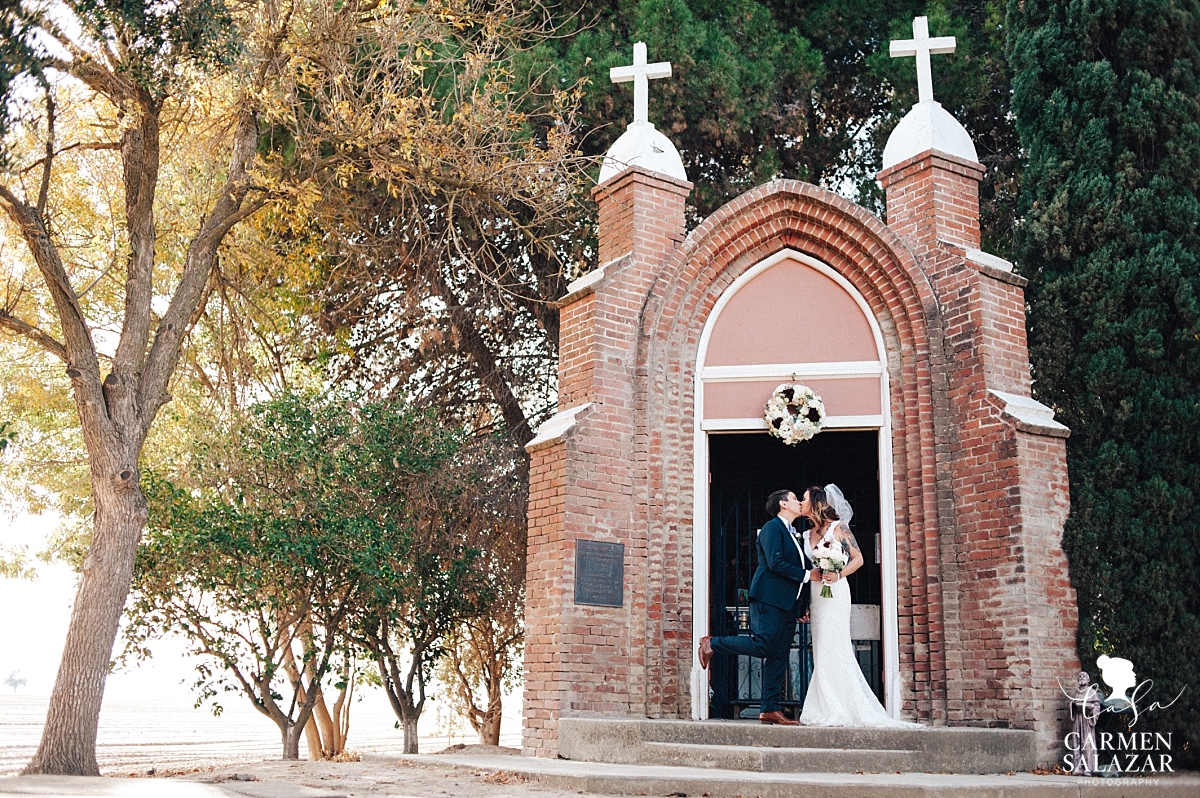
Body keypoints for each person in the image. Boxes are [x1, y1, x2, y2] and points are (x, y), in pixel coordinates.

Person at [799, 484, 918, 727]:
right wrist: (806, 604)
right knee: (820, 648)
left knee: (836, 645)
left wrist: (838, 574)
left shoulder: (838, 527)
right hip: (816, 595)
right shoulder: (805, 534)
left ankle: (842, 706)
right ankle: (823, 705)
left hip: (836, 592)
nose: (801, 502)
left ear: (816, 502)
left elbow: (859, 559)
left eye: (804, 499)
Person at [697, 489, 818, 725]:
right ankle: (712, 643)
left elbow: (797, 573)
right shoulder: (773, 528)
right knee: (763, 645)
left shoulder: (794, 534)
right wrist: (808, 574)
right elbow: (776, 563)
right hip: (768, 598)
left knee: (779, 656)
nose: (799, 502)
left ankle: (770, 709)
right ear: (783, 504)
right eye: (794, 498)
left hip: (788, 605)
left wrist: (802, 605)